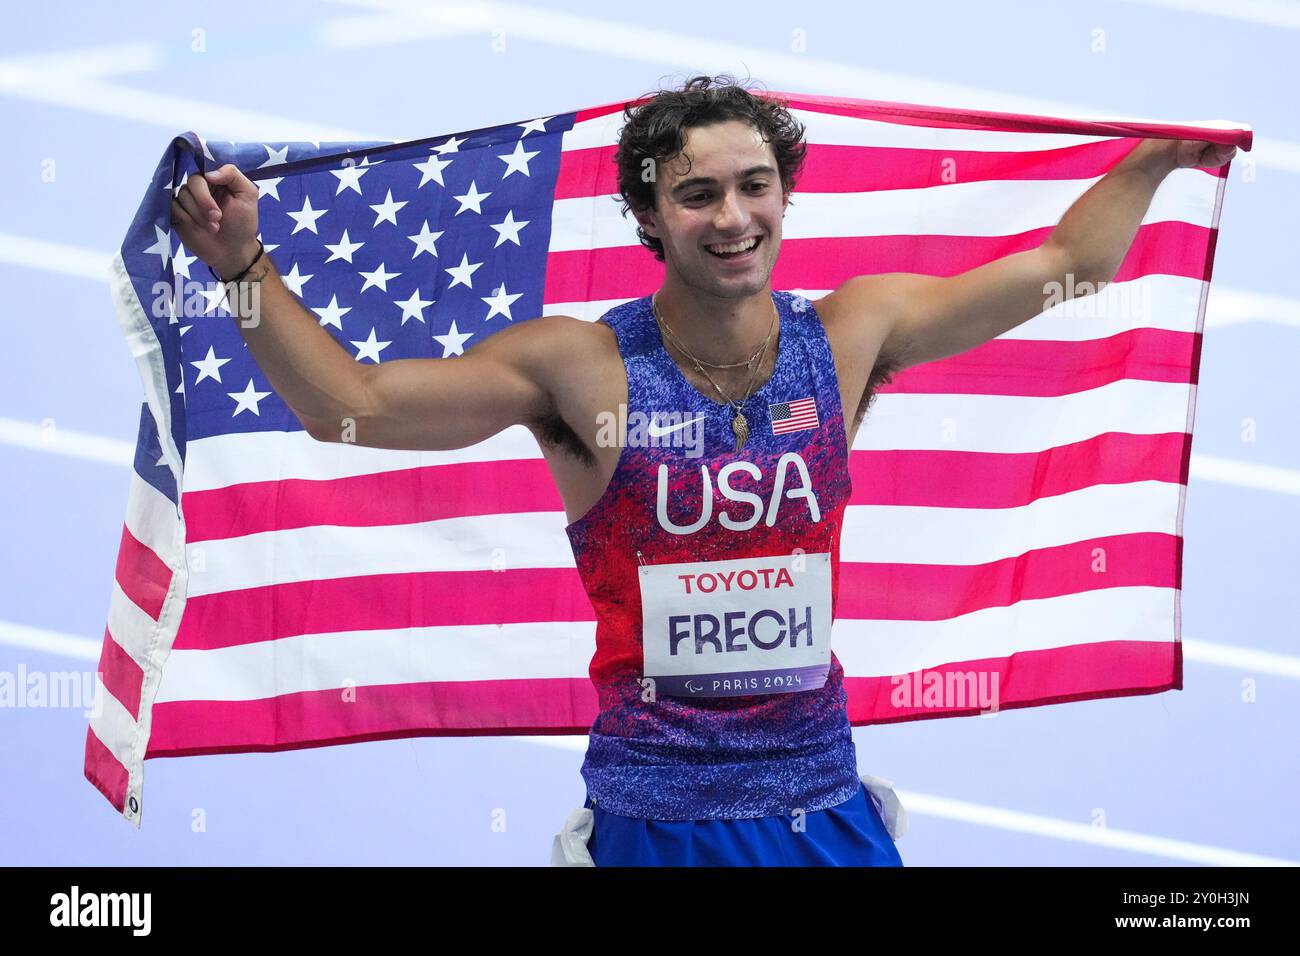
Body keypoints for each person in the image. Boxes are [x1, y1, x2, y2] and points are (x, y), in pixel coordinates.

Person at [170, 73, 1235, 867]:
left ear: (785, 194)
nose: (731, 217)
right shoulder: (579, 367)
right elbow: (345, 409)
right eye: (697, 194)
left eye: (754, 186)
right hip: (656, 818)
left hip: (824, 805)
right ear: (646, 215)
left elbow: (1068, 268)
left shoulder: (854, 332)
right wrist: (243, 268)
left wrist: (1150, 156)